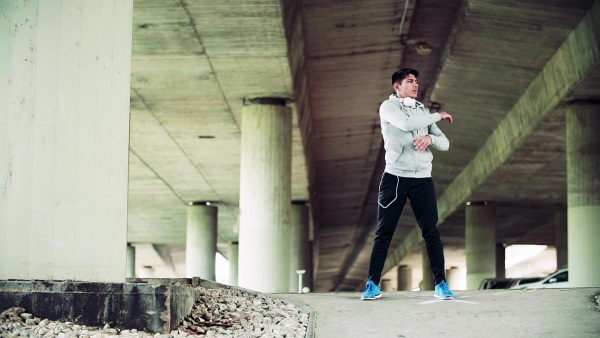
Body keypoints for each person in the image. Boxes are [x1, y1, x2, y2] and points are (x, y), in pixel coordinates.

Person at [361, 68, 454, 300]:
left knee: (431, 231)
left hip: (422, 179)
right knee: (384, 232)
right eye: (410, 81)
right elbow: (404, 124)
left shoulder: (422, 111)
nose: (415, 85)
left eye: (416, 82)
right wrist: (438, 115)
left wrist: (430, 137)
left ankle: (441, 284)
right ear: (397, 86)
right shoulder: (389, 107)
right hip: (395, 178)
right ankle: (372, 284)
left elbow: (445, 144)